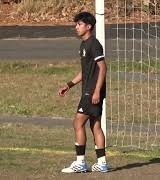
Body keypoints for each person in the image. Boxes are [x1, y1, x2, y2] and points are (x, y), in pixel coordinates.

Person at [58, 12, 108, 173]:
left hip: (91, 92)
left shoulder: (94, 44)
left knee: (77, 123)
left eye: (79, 24)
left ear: (88, 26)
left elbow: (103, 68)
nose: (76, 27)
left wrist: (96, 92)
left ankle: (80, 163)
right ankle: (102, 164)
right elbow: (85, 71)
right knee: (95, 125)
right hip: (90, 91)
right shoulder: (83, 45)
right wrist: (69, 85)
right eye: (76, 24)